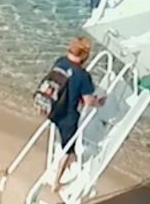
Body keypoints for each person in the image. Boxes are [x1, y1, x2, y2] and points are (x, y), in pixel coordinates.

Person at [42, 37, 104, 194]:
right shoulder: (82, 75)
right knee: (67, 148)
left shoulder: (60, 62)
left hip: (52, 108)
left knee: (65, 139)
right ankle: (56, 182)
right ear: (84, 55)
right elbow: (88, 101)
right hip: (67, 116)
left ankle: (72, 158)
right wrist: (99, 102)